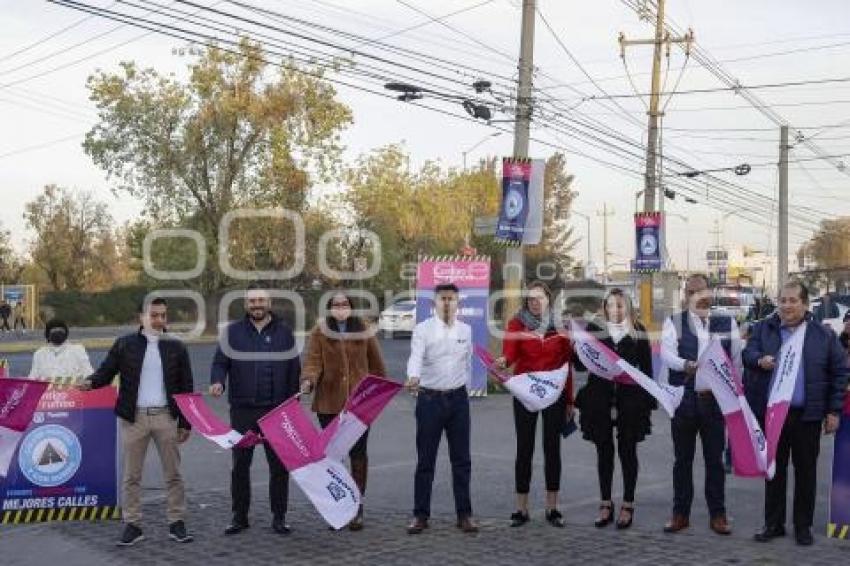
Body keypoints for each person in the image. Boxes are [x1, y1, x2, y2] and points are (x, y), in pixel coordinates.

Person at [78, 297, 194, 546]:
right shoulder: (124, 345)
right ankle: (133, 524)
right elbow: (106, 371)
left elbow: (187, 388)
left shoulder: (177, 347)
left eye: (163, 315)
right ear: (141, 317)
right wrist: (90, 382)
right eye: (154, 315)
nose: (159, 320)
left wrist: (186, 423)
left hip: (166, 417)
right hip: (134, 419)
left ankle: (177, 522)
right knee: (132, 476)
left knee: (173, 474)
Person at [743, 280, 849, 546]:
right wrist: (759, 360)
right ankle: (773, 524)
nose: (787, 306)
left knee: (806, 473)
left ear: (804, 303)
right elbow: (748, 353)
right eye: (783, 300)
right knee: (774, 472)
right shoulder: (763, 328)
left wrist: (834, 410)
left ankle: (803, 526)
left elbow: (839, 373)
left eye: (793, 301)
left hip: (807, 415)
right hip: (773, 416)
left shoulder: (822, 335)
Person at [210, 285, 301, 536]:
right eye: (252, 301)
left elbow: (294, 367)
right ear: (246, 304)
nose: (256, 305)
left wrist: (293, 402)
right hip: (243, 410)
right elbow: (220, 362)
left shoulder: (284, 333)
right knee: (240, 465)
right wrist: (218, 381)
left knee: (279, 466)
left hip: (276, 411)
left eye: (261, 300)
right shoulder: (233, 332)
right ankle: (239, 516)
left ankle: (279, 517)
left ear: (269, 302)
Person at [660, 273, 742, 536]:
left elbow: (737, 360)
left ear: (709, 293)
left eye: (701, 291)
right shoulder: (674, 322)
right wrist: (686, 364)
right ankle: (680, 514)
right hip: (684, 403)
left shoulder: (726, 322)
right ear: (686, 296)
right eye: (691, 291)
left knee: (715, 462)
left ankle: (718, 515)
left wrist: (734, 393)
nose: (696, 296)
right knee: (682, 461)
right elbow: (666, 354)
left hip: (714, 403)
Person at [300, 291, 387, 530]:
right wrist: (308, 380)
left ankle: (357, 506)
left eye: (344, 304)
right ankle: (338, 508)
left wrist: (381, 391)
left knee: (358, 455)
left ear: (351, 306)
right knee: (332, 458)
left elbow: (377, 364)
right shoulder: (320, 331)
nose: (340, 307)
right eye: (336, 304)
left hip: (359, 405)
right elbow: (313, 361)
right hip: (328, 404)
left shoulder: (364, 329)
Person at [494, 280, 573, 528]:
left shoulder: (561, 326)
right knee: (524, 449)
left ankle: (552, 508)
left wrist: (569, 399)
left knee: (552, 449)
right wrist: (503, 362)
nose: (535, 302)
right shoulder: (517, 323)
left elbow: (566, 366)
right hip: (526, 392)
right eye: (530, 299)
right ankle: (521, 509)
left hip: (554, 394)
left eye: (539, 298)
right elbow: (511, 353)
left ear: (549, 299)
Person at [574, 289, 654, 529]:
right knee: (604, 452)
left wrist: (648, 403)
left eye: (620, 305)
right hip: (599, 398)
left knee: (628, 452)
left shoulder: (638, 331)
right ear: (604, 307)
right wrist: (576, 347)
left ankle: (628, 504)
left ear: (627, 307)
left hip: (629, 401)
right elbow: (580, 365)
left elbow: (647, 371)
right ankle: (605, 502)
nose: (616, 310)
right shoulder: (594, 331)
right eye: (611, 305)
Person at [405, 283, 477, 535]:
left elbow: (467, 361)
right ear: (433, 303)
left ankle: (464, 514)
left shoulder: (466, 330)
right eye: (443, 298)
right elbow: (415, 356)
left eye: (452, 299)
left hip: (458, 401)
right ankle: (420, 515)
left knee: (462, 461)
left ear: (458, 303)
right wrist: (413, 376)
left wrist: (463, 391)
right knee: (425, 461)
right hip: (429, 401)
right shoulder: (422, 330)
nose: (447, 302)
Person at [29, 319, 93, 380]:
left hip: (73, 390)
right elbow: (33, 378)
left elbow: (89, 373)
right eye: (54, 331)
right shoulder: (39, 354)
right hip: (47, 390)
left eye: (60, 330)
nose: (57, 332)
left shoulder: (78, 350)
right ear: (47, 334)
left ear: (66, 333)